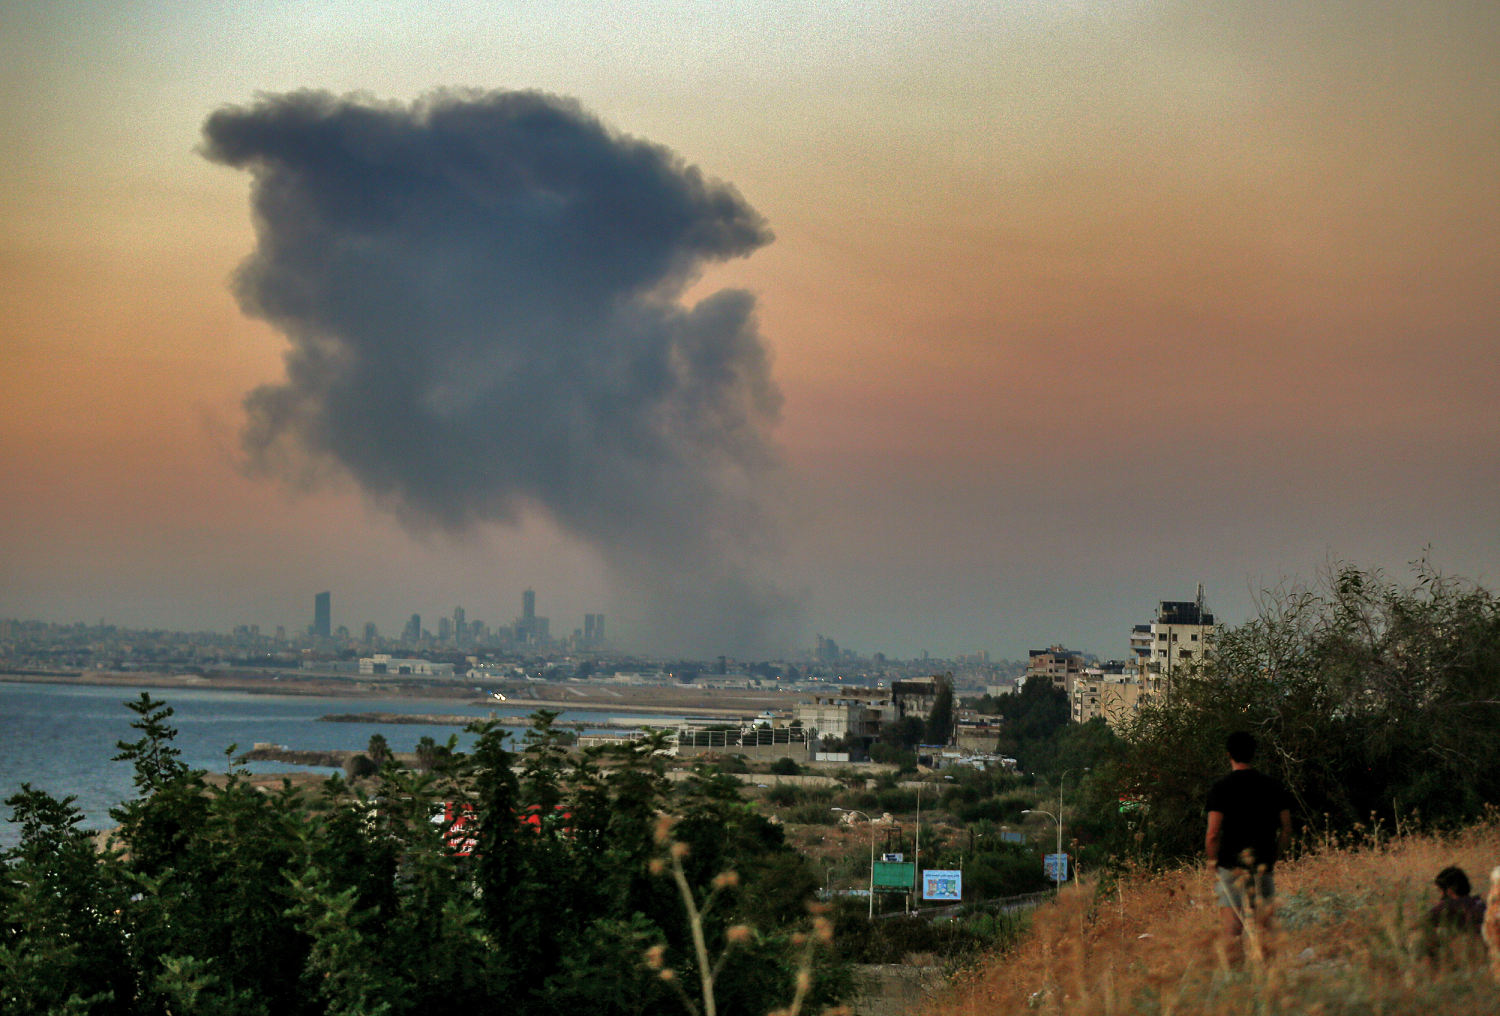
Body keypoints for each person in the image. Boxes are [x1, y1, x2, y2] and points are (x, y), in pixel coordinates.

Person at [1204, 731, 1294, 959]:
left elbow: (1213, 833)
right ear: (1254, 753)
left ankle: (1236, 981)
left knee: (1232, 931)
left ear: (1228, 755)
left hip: (1230, 867)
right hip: (1263, 864)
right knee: (1264, 929)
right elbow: (1286, 828)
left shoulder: (1220, 788)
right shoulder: (1273, 786)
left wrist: (1212, 863)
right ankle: (1268, 978)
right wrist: (1274, 856)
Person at [1429, 866, 1485, 933]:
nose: (1440, 894)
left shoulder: (1447, 906)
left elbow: (1422, 924)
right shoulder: (1479, 903)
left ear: (1450, 890)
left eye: (1440, 890)